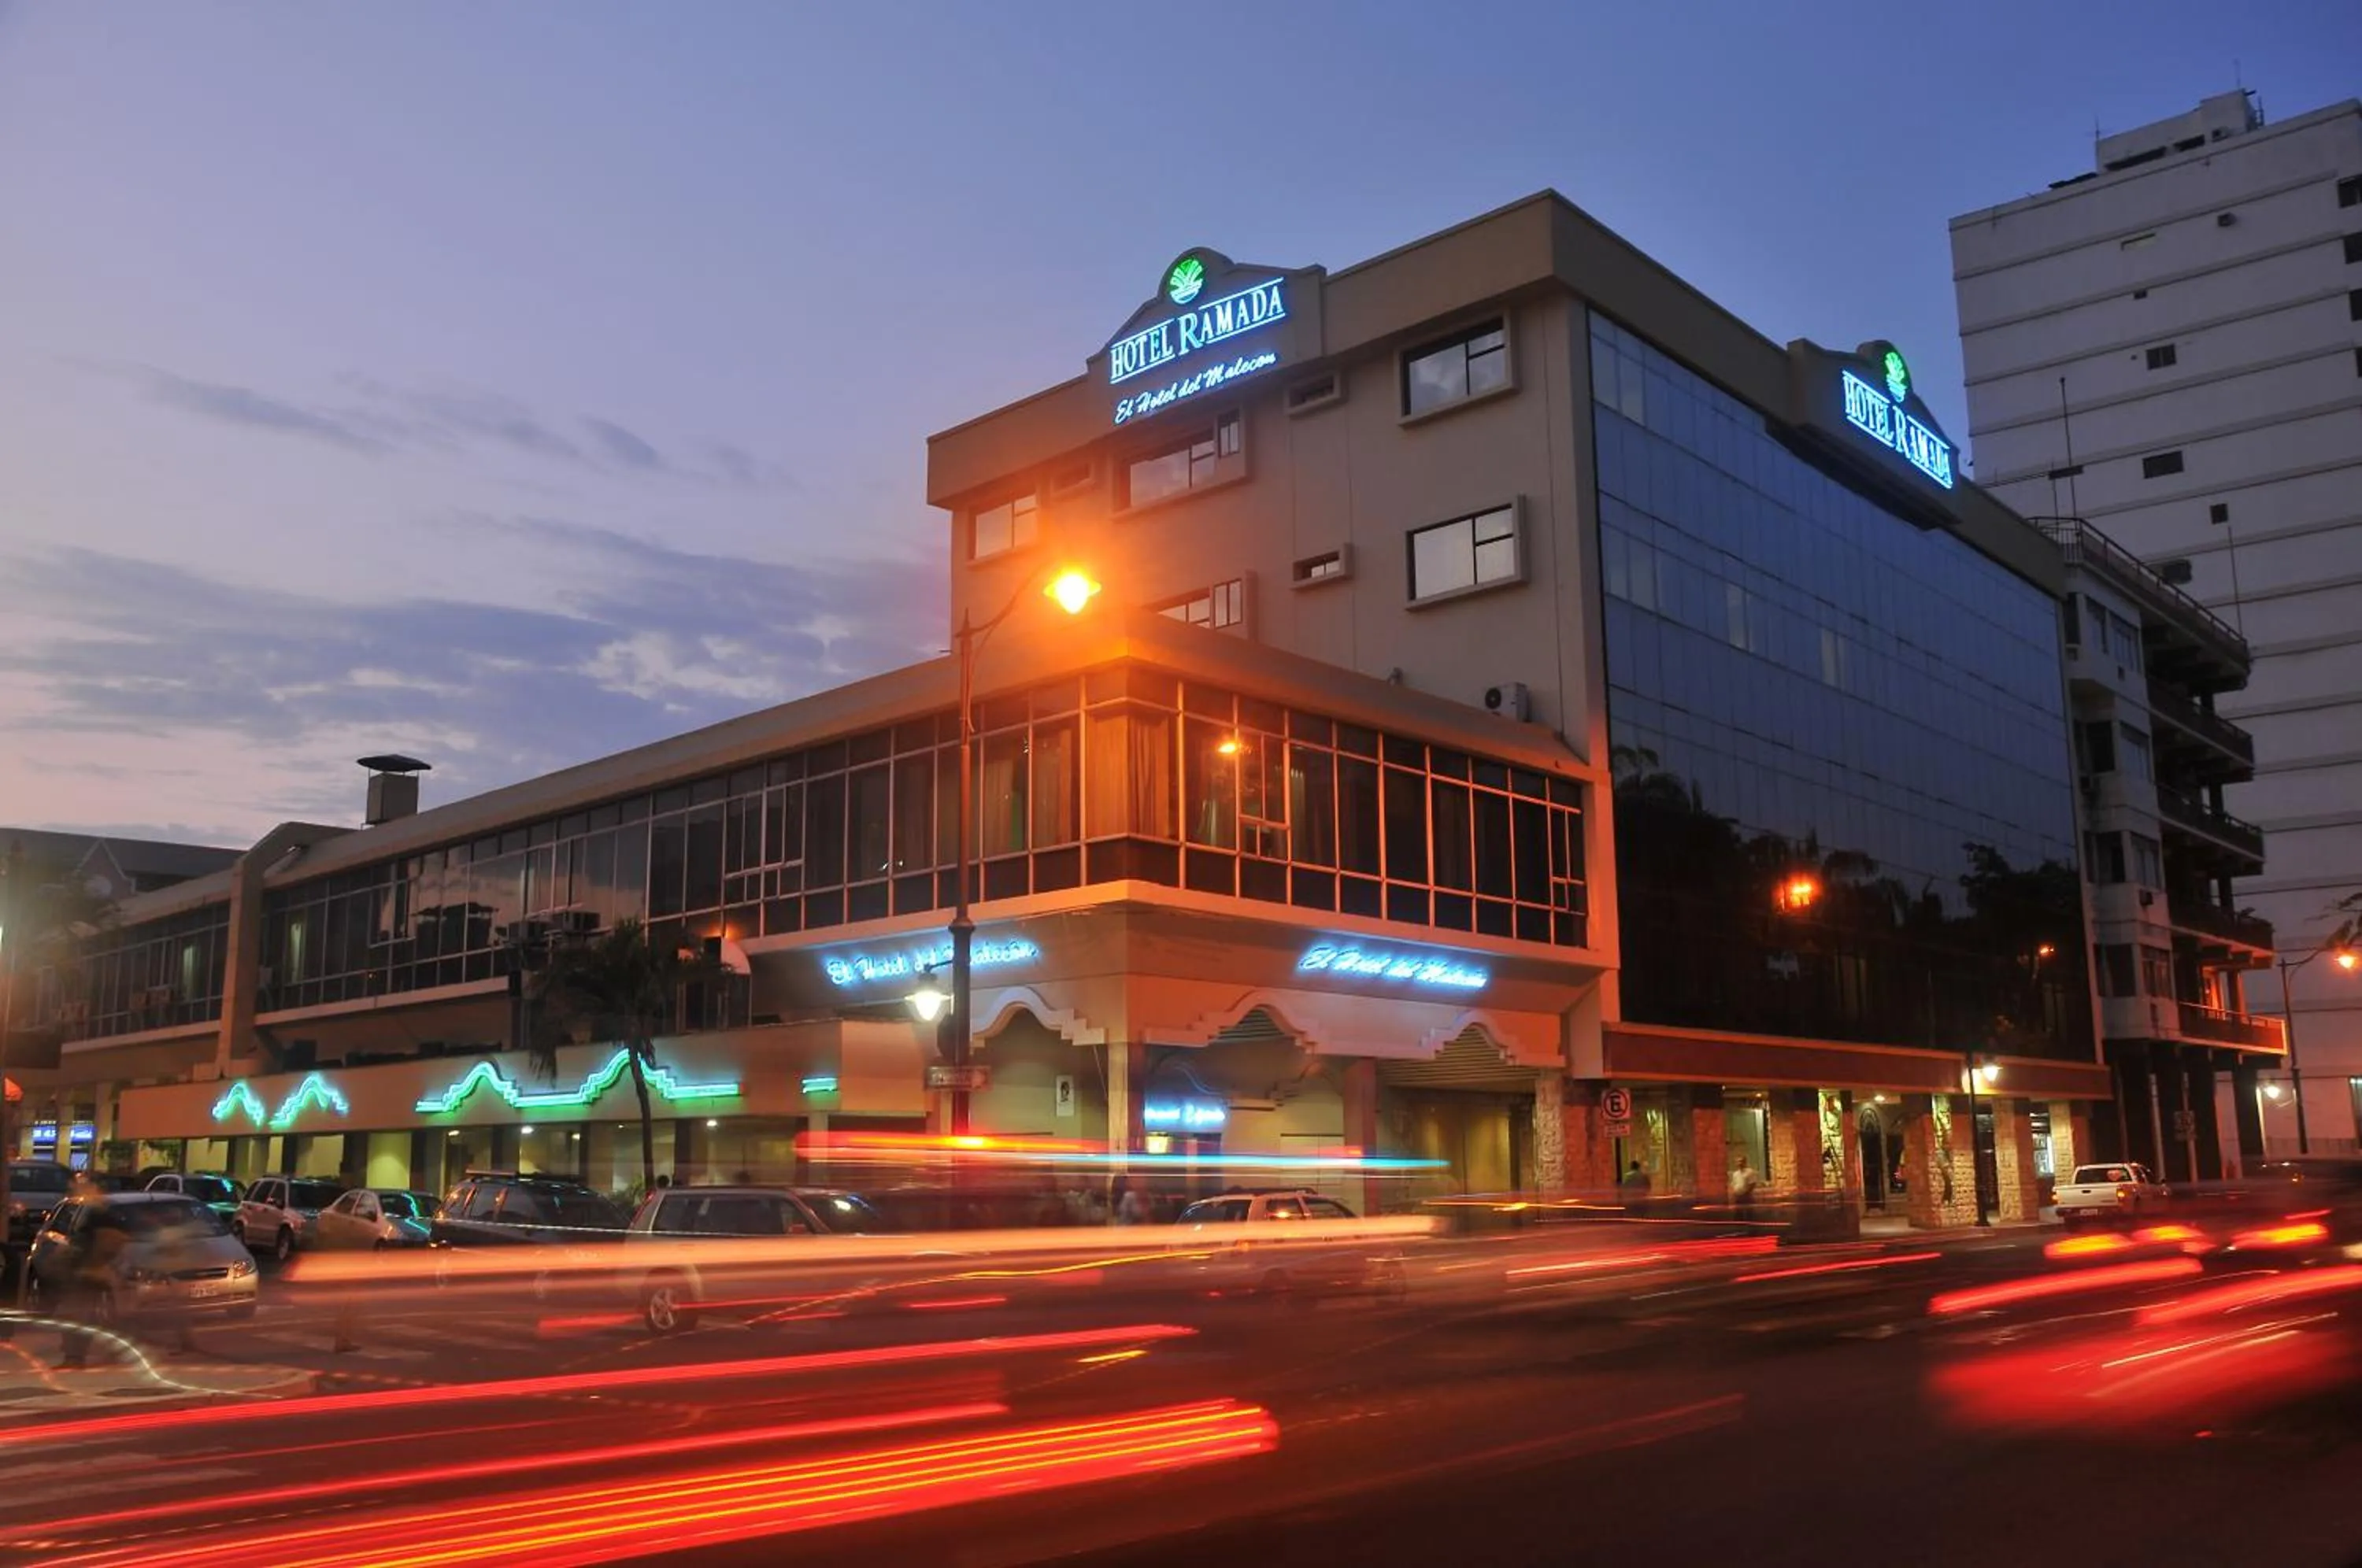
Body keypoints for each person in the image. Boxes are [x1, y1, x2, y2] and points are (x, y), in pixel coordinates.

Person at [56, 1191, 128, 1370]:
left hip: (86, 1277)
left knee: (73, 1316)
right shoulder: (118, 1234)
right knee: (103, 1317)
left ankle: (74, 1357)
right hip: (104, 1278)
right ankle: (115, 1352)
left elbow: (76, 1253)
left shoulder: (88, 1232)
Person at [1730, 1155, 1762, 1222]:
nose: (1739, 1163)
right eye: (1738, 1162)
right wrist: (1734, 1193)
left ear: (1745, 1162)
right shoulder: (1735, 1174)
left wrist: (1746, 1193)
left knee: (1749, 1213)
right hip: (1738, 1196)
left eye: (1741, 1161)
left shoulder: (1750, 1172)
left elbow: (1752, 1183)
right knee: (1738, 1213)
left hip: (1747, 1196)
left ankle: (1751, 1228)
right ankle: (1739, 1227)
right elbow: (1734, 1184)